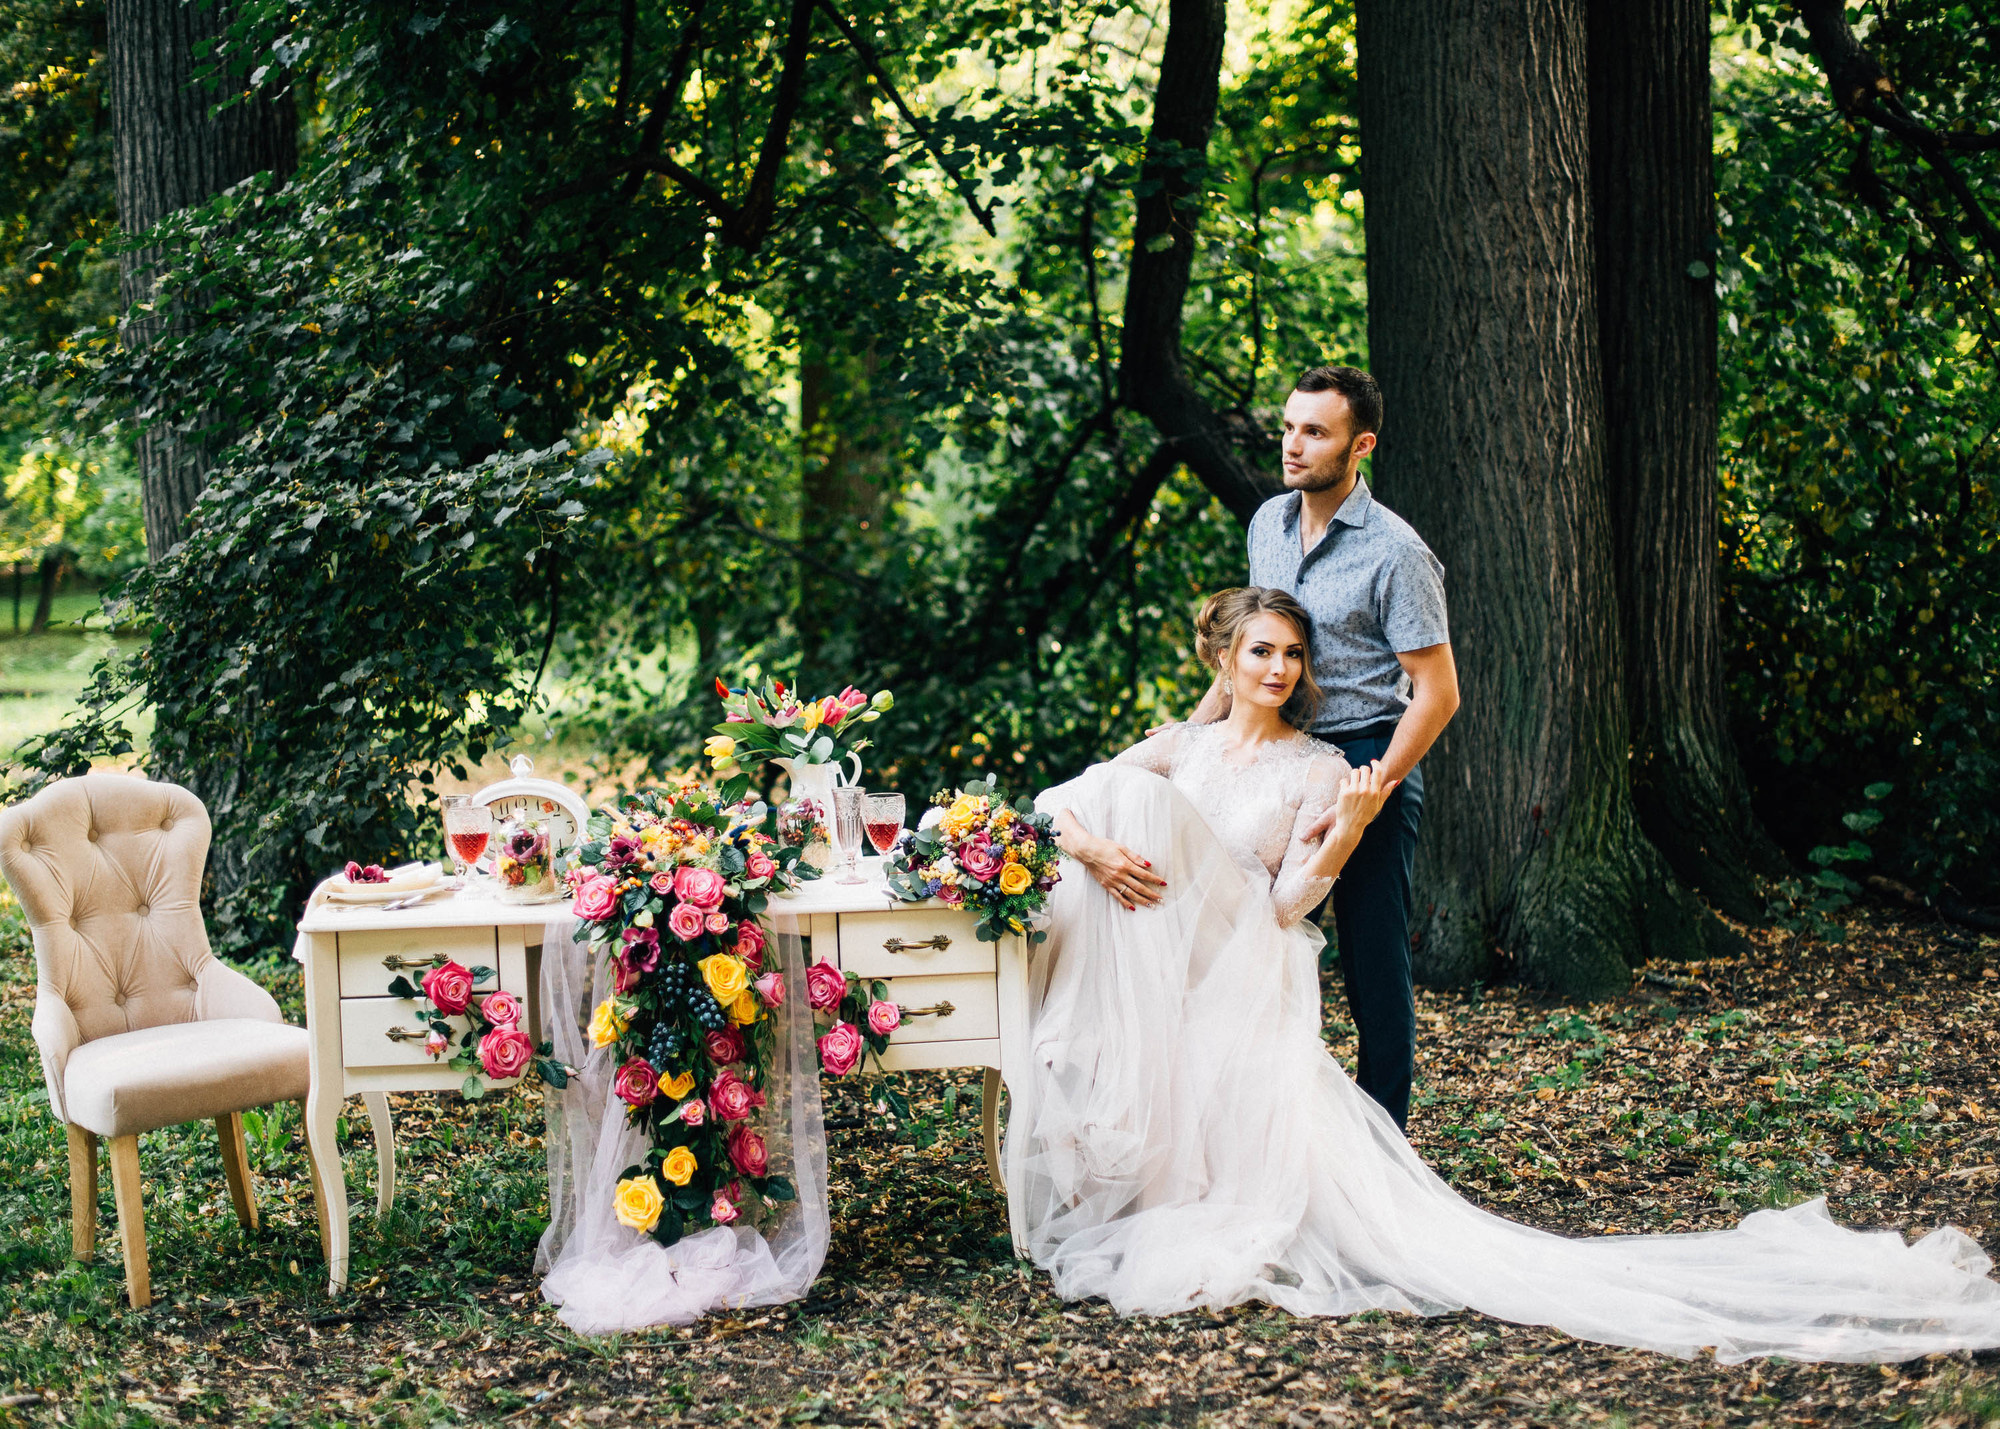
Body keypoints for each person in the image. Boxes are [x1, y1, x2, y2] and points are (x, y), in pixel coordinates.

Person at [1015, 586, 2000, 1360]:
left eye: (1290, 654)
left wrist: (1351, 826)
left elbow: (1284, 909)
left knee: (1120, 799)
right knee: (1104, 794)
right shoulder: (1175, 747)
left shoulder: (1317, 766)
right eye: (1258, 651)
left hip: (1240, 949)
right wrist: (1097, 855)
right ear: (1221, 658)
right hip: (1164, 945)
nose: (1276, 667)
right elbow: (1045, 808)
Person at [1182, 365, 1456, 1130]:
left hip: (1367, 759)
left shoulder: (1397, 552)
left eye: (1316, 432)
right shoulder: (1266, 522)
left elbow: (1438, 694)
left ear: (1360, 445)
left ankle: (1384, 1158)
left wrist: (1367, 794)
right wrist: (1187, 742)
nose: (1293, 445)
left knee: (1374, 977)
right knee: (1244, 951)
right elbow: (1249, 655)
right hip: (1271, 760)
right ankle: (1246, 1138)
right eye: (1289, 427)